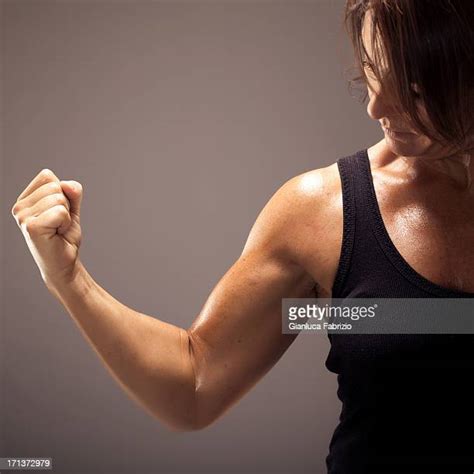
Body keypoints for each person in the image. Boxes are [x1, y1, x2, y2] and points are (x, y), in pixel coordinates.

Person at [10, 0, 474, 472]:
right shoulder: (326, 214)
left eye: (415, 90)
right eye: (374, 71)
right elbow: (194, 385)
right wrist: (68, 280)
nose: (376, 106)